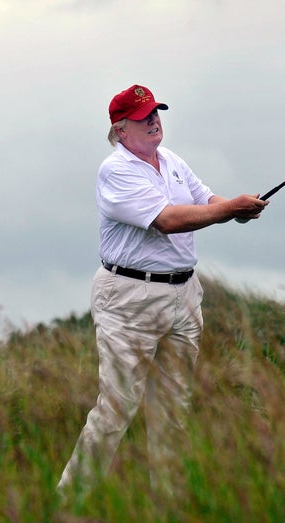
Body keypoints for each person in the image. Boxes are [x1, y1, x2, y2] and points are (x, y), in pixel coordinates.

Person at [57, 84, 268, 497]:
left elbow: (205, 198)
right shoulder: (115, 170)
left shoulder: (170, 160)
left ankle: (168, 507)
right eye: (142, 117)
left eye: (156, 112)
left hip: (183, 294)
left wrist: (238, 209)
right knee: (117, 409)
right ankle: (68, 503)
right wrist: (229, 210)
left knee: (173, 411)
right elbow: (168, 220)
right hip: (129, 297)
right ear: (120, 131)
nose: (153, 120)